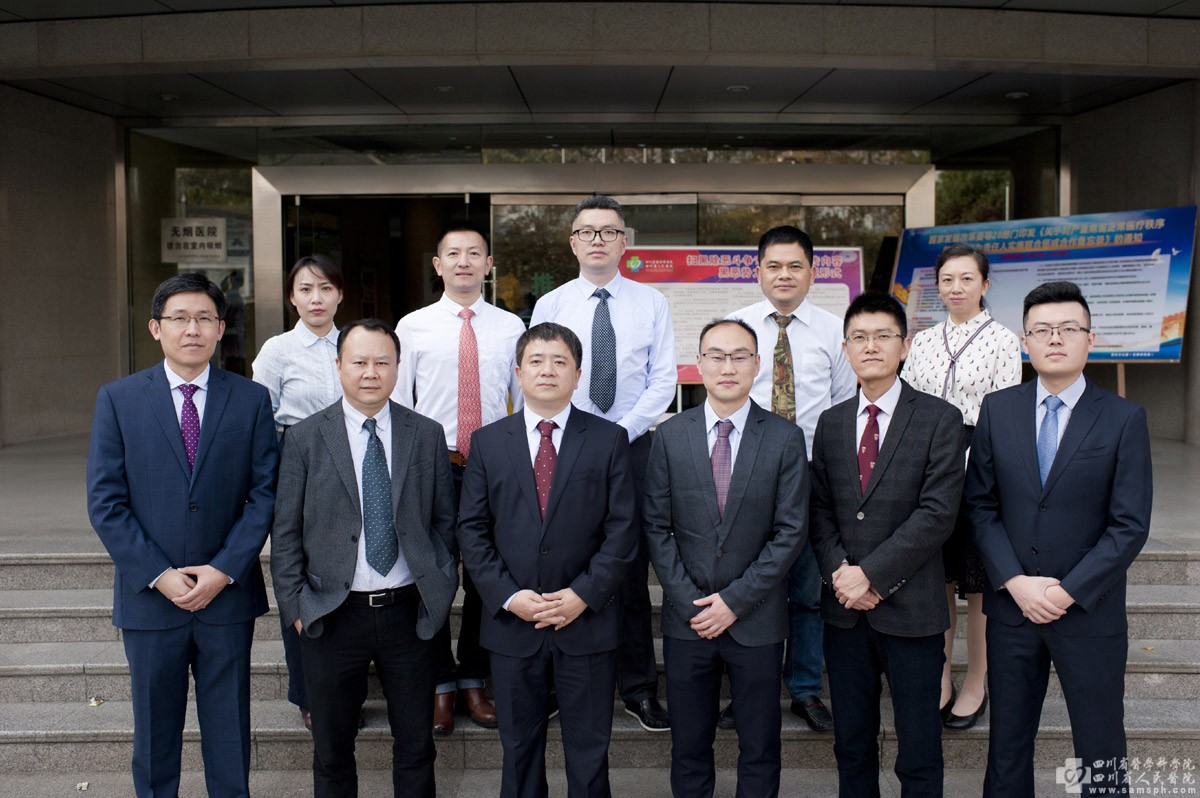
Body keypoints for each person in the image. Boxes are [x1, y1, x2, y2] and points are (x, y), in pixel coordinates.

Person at [86, 273, 279, 798]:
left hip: (227, 597)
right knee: (154, 738)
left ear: (220, 328)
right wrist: (159, 574)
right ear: (156, 328)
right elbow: (105, 502)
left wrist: (224, 569)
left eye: (203, 319)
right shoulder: (119, 399)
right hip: (151, 600)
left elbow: (265, 494)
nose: (192, 329)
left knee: (230, 732)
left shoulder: (251, 399)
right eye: (179, 318)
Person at [965, 281, 1152, 797]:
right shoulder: (998, 410)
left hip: (1089, 611)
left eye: (1068, 328)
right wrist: (1014, 582)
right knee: (1007, 747)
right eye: (1042, 329)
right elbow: (980, 506)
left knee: (1100, 747)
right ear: (1024, 342)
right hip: (1012, 611)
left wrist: (1067, 591)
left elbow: (1129, 525)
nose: (1055, 338)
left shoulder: (1123, 418)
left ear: (1090, 339)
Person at [270, 319, 458, 798]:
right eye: (359, 362)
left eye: (382, 362)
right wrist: (297, 607)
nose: (370, 372)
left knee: (416, 748)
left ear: (398, 367)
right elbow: (285, 532)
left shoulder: (426, 433)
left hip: (409, 613)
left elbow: (444, 522)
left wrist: (440, 586)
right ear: (339, 366)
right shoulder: (305, 437)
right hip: (332, 614)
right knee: (332, 752)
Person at [457, 322, 638, 798]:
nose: (547, 370)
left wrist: (583, 595)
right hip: (513, 624)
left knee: (590, 752)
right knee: (518, 752)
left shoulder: (608, 439)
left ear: (578, 375)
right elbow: (471, 530)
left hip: (587, 622)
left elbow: (622, 531)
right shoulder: (487, 442)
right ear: (518, 373)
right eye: (536, 361)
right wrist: (508, 596)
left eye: (560, 361)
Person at [643, 318, 809, 798]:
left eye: (739, 356)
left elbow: (790, 531)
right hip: (688, 620)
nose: (728, 367)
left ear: (757, 364)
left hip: (757, 619)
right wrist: (690, 601)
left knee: (760, 746)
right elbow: (656, 527)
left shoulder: (784, 437)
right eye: (717, 356)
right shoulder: (670, 436)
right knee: (689, 746)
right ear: (698, 364)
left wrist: (734, 601)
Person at [809, 293, 964, 798]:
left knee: (919, 749)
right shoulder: (831, 423)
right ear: (845, 348)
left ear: (905, 345)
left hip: (913, 610)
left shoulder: (940, 418)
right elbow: (820, 510)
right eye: (859, 337)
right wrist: (842, 574)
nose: (870, 346)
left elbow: (937, 514)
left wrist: (870, 575)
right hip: (844, 612)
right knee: (852, 746)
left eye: (883, 336)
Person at [530, 195, 675, 732]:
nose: (597, 240)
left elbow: (663, 379)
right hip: (564, 445)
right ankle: (557, 683)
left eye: (608, 231)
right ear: (573, 242)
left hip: (631, 446)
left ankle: (638, 687)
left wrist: (618, 433)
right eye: (587, 231)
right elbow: (541, 375)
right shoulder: (551, 304)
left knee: (629, 569)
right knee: (564, 561)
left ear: (624, 242)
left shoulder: (651, 302)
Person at [392, 220, 525, 734]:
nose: (464, 262)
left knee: (486, 580)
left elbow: (521, 403)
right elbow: (400, 404)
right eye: (453, 253)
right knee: (432, 578)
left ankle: (473, 677)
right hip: (434, 466)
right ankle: (439, 684)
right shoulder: (413, 326)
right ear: (438, 265)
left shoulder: (511, 327)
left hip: (494, 469)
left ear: (489, 264)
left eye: (474, 253)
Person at [724, 224, 855, 733]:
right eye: (774, 265)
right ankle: (747, 689)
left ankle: (804, 688)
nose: (784, 275)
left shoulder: (833, 330)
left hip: (811, 475)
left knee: (807, 588)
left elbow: (842, 407)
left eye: (795, 265)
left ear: (812, 272)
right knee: (748, 584)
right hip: (746, 474)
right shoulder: (736, 328)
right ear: (758, 271)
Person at [899, 244, 1022, 731]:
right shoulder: (923, 340)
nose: (956, 288)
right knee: (939, 578)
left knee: (979, 582)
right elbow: (908, 402)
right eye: (947, 279)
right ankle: (941, 674)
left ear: (985, 285)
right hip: (926, 463)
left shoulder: (1004, 340)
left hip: (981, 462)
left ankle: (976, 679)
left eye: (967, 279)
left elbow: (1005, 413)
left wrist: (969, 467)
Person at [252, 253, 347, 731]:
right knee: (301, 580)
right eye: (306, 289)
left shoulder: (355, 343)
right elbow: (258, 420)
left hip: (357, 468)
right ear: (292, 297)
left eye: (326, 288)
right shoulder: (277, 350)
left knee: (348, 575)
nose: (316, 298)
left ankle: (347, 687)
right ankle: (308, 693)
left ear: (340, 294)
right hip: (299, 471)